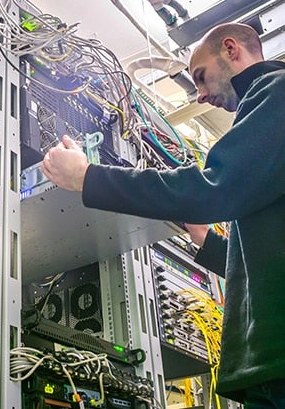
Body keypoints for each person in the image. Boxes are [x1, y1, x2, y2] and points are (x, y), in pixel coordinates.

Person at [41, 23, 285, 406]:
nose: (201, 95)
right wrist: (207, 242)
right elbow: (267, 257)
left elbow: (213, 187)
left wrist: (87, 176)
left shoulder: (277, 92)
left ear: (232, 49)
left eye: (201, 77)